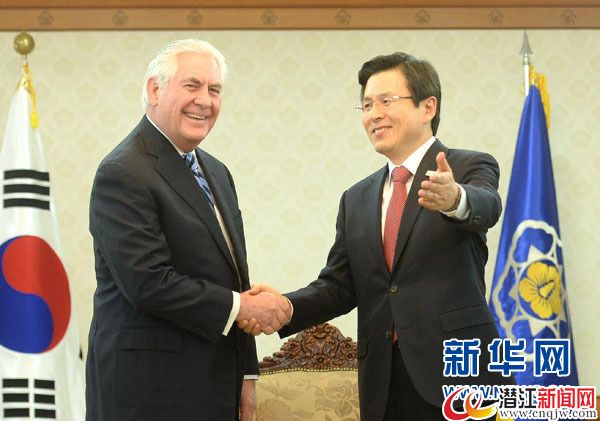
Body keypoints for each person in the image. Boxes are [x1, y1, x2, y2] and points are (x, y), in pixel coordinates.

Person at [242, 52, 512, 421]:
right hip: (383, 383)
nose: (373, 114)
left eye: (386, 101)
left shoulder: (467, 166)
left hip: (460, 377)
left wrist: (455, 199)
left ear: (428, 107)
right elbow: (340, 286)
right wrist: (287, 307)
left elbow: (487, 205)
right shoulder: (356, 198)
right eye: (367, 105)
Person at [86, 39, 290, 421]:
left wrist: (246, 372)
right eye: (192, 85)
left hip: (214, 383)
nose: (205, 101)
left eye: (214, 90)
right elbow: (148, 283)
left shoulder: (217, 171)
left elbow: (235, 277)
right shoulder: (123, 171)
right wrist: (243, 307)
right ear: (154, 90)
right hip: (147, 393)